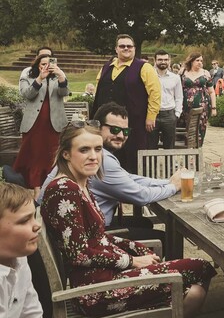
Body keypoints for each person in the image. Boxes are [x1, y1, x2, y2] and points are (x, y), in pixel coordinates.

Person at [40, 124, 215, 318]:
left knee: (195, 292)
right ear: (66, 154)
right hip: (96, 291)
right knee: (200, 266)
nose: (93, 156)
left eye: (97, 149)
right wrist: (131, 261)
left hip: (107, 277)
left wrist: (135, 248)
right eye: (84, 150)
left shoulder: (80, 185)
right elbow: (79, 254)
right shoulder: (64, 190)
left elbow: (99, 238)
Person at [39, 102, 182, 245]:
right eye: (114, 129)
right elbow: (141, 196)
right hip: (94, 236)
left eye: (125, 131)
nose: (120, 135)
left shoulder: (96, 162)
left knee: (143, 223)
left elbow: (128, 178)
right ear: (97, 128)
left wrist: (168, 182)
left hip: (91, 230)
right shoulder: (72, 183)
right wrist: (173, 187)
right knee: (165, 238)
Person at [0, 184, 51, 318]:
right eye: (24, 220)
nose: (36, 225)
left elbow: (29, 317)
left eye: (33, 216)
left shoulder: (18, 260)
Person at [93, 34, 161, 174]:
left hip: (133, 123)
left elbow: (155, 93)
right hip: (107, 124)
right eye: (122, 46)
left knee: (132, 158)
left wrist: (151, 116)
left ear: (134, 49)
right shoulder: (106, 67)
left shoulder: (144, 67)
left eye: (129, 46)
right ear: (116, 49)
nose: (126, 48)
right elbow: (98, 92)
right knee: (106, 156)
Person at [14, 53, 69, 191]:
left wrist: (62, 77)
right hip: (34, 124)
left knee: (51, 155)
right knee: (34, 155)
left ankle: (51, 184)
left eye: (49, 64)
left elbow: (64, 93)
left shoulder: (58, 76)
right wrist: (39, 78)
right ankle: (35, 186)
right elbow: (27, 94)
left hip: (54, 124)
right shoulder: (29, 76)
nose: (46, 66)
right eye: (43, 64)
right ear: (37, 65)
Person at [148, 50, 183, 150]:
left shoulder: (175, 78)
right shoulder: (149, 76)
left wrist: (177, 114)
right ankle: (151, 166)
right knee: (150, 145)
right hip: (152, 115)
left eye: (165, 59)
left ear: (169, 61)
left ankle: (169, 166)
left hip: (169, 115)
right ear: (155, 60)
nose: (163, 62)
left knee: (169, 146)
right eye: (160, 59)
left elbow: (179, 97)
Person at [180, 53, 217, 146]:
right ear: (191, 61)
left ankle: (198, 151)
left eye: (201, 61)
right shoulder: (183, 72)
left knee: (200, 129)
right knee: (185, 129)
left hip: (202, 107)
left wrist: (214, 108)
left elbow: (212, 92)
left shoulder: (205, 73)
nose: (200, 62)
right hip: (184, 107)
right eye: (197, 60)